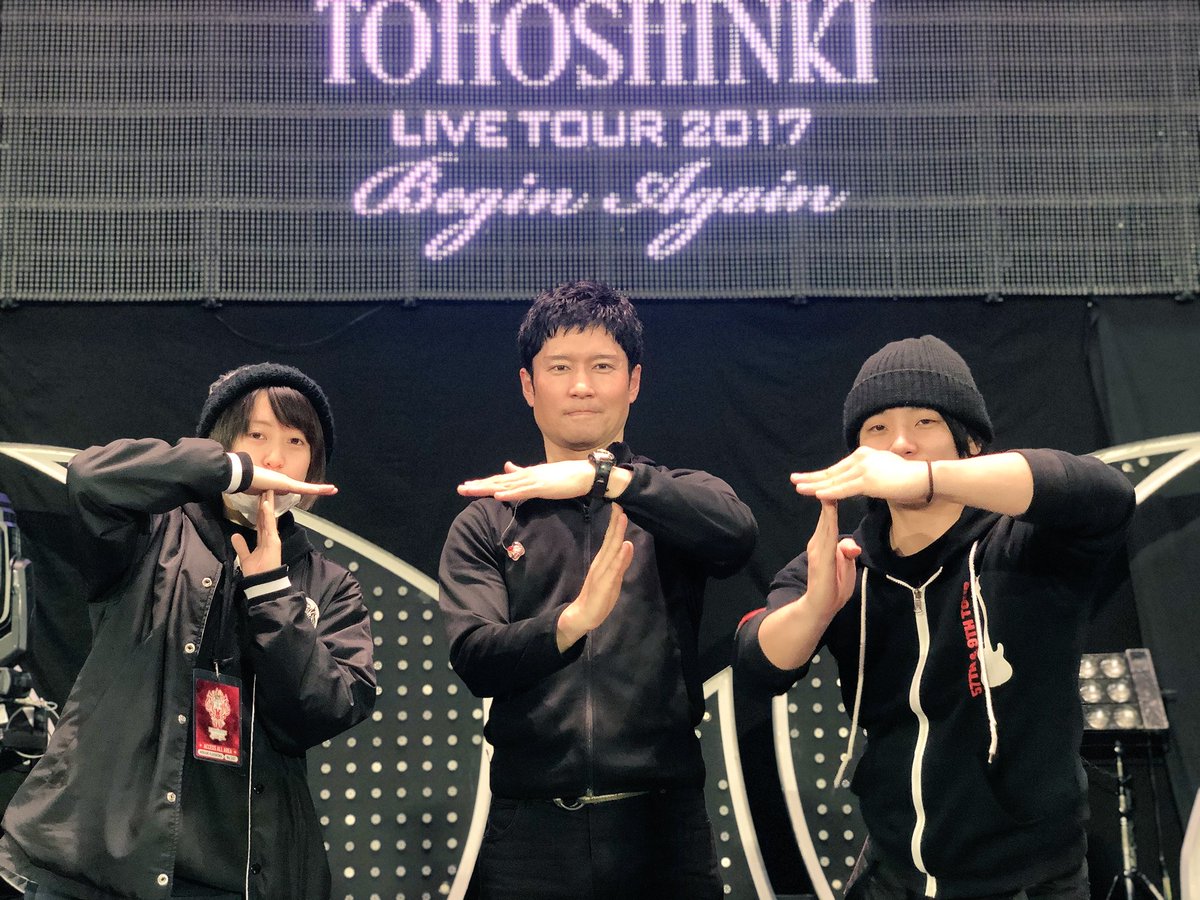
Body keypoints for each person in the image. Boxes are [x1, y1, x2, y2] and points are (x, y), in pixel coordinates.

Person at [733, 335, 1135, 900]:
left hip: (1030, 881)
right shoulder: (846, 560)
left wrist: (928, 479)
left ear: (969, 442)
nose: (900, 444)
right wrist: (815, 609)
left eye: (924, 422)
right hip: (892, 874)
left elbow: (1106, 494)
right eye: (877, 428)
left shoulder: (1024, 543)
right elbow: (758, 663)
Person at [0, 363, 376, 899]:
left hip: (238, 873)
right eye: (256, 435)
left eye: (296, 441)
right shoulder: (154, 532)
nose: (274, 457)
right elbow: (90, 478)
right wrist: (226, 471)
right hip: (99, 866)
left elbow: (325, 710)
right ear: (223, 445)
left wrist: (271, 591)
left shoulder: (330, 585)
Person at [438, 280, 758, 899]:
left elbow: (736, 535)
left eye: (602, 367)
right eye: (560, 368)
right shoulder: (489, 518)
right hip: (531, 829)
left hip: (664, 827)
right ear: (529, 386)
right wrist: (570, 623)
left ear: (633, 382)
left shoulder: (671, 497)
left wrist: (608, 478)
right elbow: (476, 657)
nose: (581, 386)